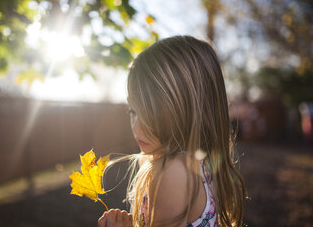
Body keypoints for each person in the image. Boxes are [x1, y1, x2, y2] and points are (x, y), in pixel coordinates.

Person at [98, 35, 246, 227]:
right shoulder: (203, 164)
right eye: (133, 111)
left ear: (188, 109)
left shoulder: (172, 172)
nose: (136, 127)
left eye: (152, 114)